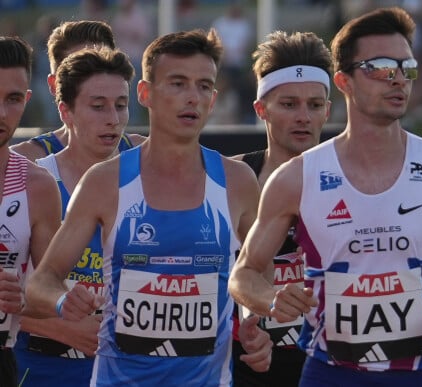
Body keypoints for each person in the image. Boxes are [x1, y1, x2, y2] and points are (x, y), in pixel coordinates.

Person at [229, 7, 422, 387]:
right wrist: (271, 299)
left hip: (416, 374)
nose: (398, 79)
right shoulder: (297, 179)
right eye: (382, 67)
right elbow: (244, 274)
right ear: (344, 81)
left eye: (407, 67)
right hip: (330, 375)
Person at [24, 28, 271, 386]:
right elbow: (42, 282)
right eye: (177, 83)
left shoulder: (238, 180)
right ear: (145, 93)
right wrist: (63, 303)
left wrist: (252, 319)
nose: (192, 97)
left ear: (214, 99)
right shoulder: (105, 181)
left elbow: (257, 275)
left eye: (204, 86)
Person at [14, 46, 135, 387]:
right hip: (40, 368)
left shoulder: (151, 183)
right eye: (98, 106)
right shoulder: (34, 182)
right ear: (65, 111)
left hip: (127, 369)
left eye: (121, 105)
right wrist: (59, 324)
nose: (113, 118)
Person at [230, 30, 332, 387]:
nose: (303, 116)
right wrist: (249, 315)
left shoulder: (353, 181)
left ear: (328, 111)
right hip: (247, 368)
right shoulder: (232, 179)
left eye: (314, 105)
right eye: (289, 104)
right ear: (261, 109)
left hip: (331, 369)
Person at [0, 35, 61, 387]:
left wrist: (27, 297)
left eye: (12, 99)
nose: (1, 113)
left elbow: (47, 290)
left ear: (26, 100)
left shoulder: (38, 186)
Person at [10, 20, 146, 162]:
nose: (94, 77)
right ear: (54, 84)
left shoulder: (144, 155)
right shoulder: (24, 161)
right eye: (78, 69)